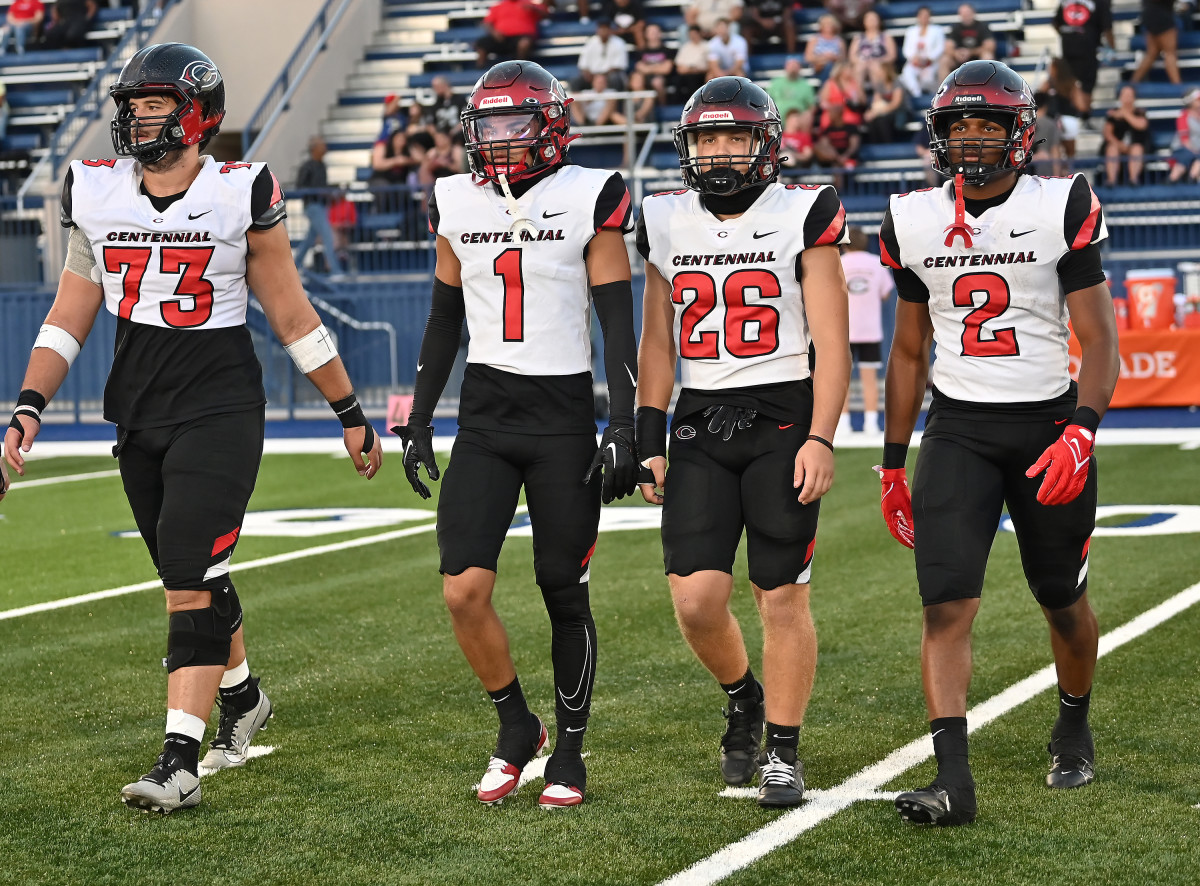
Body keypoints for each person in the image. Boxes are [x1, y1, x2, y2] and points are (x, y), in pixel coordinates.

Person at [2, 43, 383, 815]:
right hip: (138, 409)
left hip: (220, 407)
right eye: (133, 104)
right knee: (195, 577)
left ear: (198, 115)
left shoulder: (241, 192)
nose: (139, 117)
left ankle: (179, 757)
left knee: (184, 574)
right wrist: (29, 404)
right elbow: (71, 309)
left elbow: (290, 313)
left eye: (156, 104)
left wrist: (350, 411)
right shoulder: (98, 190)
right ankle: (242, 697)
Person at [878, 60, 1119, 827]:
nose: (972, 137)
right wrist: (889, 461)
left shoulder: (1061, 204)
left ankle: (1073, 720)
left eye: (987, 123)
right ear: (938, 135)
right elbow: (909, 352)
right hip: (959, 429)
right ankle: (953, 781)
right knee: (945, 604)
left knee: (1061, 599)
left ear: (1021, 133)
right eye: (958, 124)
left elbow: (1099, 341)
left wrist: (1082, 431)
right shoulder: (913, 217)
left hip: (1048, 424)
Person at [393, 60, 638, 811]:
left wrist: (623, 423)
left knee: (564, 589)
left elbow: (617, 321)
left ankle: (569, 747)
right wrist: (419, 416)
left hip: (563, 417)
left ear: (551, 127)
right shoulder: (455, 198)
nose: (497, 142)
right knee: (463, 588)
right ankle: (515, 725)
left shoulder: (589, 193)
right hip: (487, 415)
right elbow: (443, 317)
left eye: (514, 125)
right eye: (487, 127)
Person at [635, 76, 851, 809]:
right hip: (701, 414)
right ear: (688, 146)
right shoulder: (665, 219)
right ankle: (743, 695)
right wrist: (649, 429)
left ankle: (785, 754)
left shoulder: (804, 211)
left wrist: (822, 435)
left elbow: (833, 341)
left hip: (782, 411)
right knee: (696, 600)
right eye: (706, 137)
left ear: (766, 143)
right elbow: (657, 341)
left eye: (734, 136)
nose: (720, 150)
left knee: (779, 594)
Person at [837, 226, 891, 435]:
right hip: (870, 331)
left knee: (842, 380)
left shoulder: (838, 263)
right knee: (870, 379)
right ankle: (871, 424)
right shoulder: (876, 263)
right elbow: (886, 293)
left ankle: (843, 424)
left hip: (844, 332)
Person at [1053, 0, 1113, 127]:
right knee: (1086, 86)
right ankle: (1084, 117)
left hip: (1068, 48)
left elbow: (1056, 23)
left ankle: (1068, 115)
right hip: (1088, 50)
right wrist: (1112, 47)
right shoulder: (1101, 3)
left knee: (1069, 83)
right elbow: (1107, 28)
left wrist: (1069, 34)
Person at [293, 136, 345, 276]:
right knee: (328, 236)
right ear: (314, 149)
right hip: (313, 206)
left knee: (309, 240)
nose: (325, 147)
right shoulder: (307, 166)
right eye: (322, 145)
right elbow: (300, 187)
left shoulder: (322, 165)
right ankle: (335, 271)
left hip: (321, 205)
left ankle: (294, 267)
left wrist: (332, 192)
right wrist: (318, 193)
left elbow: (322, 186)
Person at [1102, 84, 1153, 185]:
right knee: (1112, 149)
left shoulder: (1140, 113)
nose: (1127, 99)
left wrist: (1125, 113)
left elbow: (1141, 125)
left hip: (1136, 146)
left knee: (1137, 149)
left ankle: (1133, 179)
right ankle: (1111, 180)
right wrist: (1119, 144)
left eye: (1130, 95)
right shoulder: (1113, 116)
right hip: (1118, 146)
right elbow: (1107, 133)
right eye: (1125, 95)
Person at [475, 0, 549, 68]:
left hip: (522, 37)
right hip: (501, 38)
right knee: (482, 43)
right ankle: (480, 71)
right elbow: (487, 23)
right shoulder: (498, 6)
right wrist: (494, 32)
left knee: (524, 43)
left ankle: (519, 69)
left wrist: (534, 8)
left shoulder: (529, 4)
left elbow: (545, 14)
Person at [629, 22, 673, 122]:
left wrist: (648, 68)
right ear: (646, 34)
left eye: (655, 31)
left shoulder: (667, 50)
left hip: (662, 79)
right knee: (636, 79)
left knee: (657, 82)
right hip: (645, 78)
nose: (653, 34)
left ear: (660, 33)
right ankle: (635, 110)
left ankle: (662, 106)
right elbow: (639, 67)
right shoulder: (641, 51)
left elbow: (666, 69)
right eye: (650, 31)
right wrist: (657, 67)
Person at [940, 4, 996, 81]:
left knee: (987, 57)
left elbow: (990, 46)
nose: (966, 16)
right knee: (944, 60)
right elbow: (948, 47)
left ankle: (986, 88)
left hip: (978, 59)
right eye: (963, 13)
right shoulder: (956, 27)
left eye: (967, 13)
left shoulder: (982, 26)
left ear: (973, 13)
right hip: (959, 59)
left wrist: (970, 52)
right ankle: (945, 90)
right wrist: (956, 53)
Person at [899, 6, 946, 98]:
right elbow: (906, 49)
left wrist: (928, 58)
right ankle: (916, 94)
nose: (924, 17)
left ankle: (933, 96)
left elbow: (940, 47)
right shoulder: (910, 31)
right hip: (914, 62)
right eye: (922, 15)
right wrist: (914, 58)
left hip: (931, 63)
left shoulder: (937, 30)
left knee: (928, 79)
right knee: (907, 73)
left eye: (926, 15)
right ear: (918, 16)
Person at [1131, 0, 1181, 85]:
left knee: (1152, 53)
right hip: (1162, 17)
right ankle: (1177, 86)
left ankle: (1132, 83)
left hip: (1149, 15)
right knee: (1169, 53)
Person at [576, 17, 630, 91]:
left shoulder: (619, 42)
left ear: (610, 30)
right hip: (592, 76)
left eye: (606, 28)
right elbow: (583, 64)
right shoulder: (591, 42)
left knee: (615, 78)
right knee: (576, 80)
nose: (604, 31)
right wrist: (593, 76)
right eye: (601, 28)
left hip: (609, 76)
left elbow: (619, 66)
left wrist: (602, 77)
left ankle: (616, 102)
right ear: (597, 30)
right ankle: (574, 102)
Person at [849, 10, 897, 83]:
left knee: (875, 67)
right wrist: (862, 62)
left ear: (879, 21)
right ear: (864, 22)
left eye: (874, 19)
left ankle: (878, 92)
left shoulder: (886, 37)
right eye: (868, 19)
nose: (871, 21)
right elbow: (852, 56)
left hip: (880, 63)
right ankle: (858, 93)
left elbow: (892, 55)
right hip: (862, 62)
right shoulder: (858, 37)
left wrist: (879, 61)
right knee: (859, 68)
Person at [1169, 88, 1200, 182]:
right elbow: (1185, 140)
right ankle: (1171, 180)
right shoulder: (1183, 117)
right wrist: (1196, 152)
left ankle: (1191, 179)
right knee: (1185, 157)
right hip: (1182, 149)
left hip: (1197, 150)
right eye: (1198, 99)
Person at [804, 14, 846, 82]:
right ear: (821, 26)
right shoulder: (814, 39)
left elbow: (843, 58)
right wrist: (824, 57)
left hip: (835, 67)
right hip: (819, 67)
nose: (828, 26)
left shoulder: (839, 41)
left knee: (832, 68)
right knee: (827, 67)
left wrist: (834, 57)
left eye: (830, 24)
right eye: (826, 24)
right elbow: (808, 58)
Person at [674, 24, 711, 99]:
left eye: (694, 34)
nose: (693, 36)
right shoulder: (685, 47)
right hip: (686, 72)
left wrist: (696, 70)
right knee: (677, 80)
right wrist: (687, 69)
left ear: (699, 33)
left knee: (692, 80)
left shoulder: (707, 46)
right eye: (690, 34)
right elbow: (679, 65)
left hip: (700, 73)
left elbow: (709, 65)